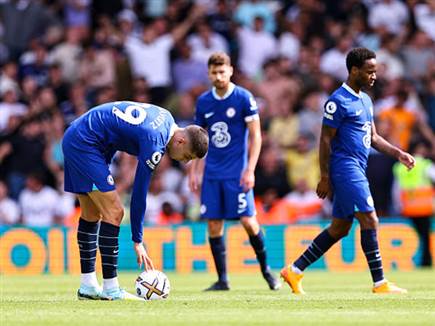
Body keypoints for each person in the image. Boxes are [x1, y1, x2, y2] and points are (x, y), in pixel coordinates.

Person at [280, 48, 416, 295]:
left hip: (358, 167)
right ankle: (380, 283)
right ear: (354, 71)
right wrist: (324, 176)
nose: (374, 76)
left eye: (374, 71)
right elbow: (324, 140)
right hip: (345, 167)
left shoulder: (365, 99)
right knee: (370, 219)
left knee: (340, 228)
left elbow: (373, 138)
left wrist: (398, 153)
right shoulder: (337, 101)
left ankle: (294, 270)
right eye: (369, 71)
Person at [62, 101, 208, 300]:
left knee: (92, 213)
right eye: (187, 156)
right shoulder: (156, 141)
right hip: (85, 143)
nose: (185, 161)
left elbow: (117, 126)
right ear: (181, 141)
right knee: (116, 212)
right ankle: (111, 289)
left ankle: (88, 286)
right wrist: (138, 240)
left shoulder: (166, 117)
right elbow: (140, 192)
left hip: (83, 136)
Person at [188, 52, 280, 291]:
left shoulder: (243, 98)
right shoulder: (204, 102)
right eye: (214, 72)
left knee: (249, 221)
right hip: (212, 175)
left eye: (222, 72)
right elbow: (198, 140)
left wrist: (250, 169)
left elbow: (257, 136)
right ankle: (223, 279)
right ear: (209, 73)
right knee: (214, 225)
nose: (218, 76)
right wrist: (194, 170)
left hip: (237, 173)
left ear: (230, 70)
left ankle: (267, 272)